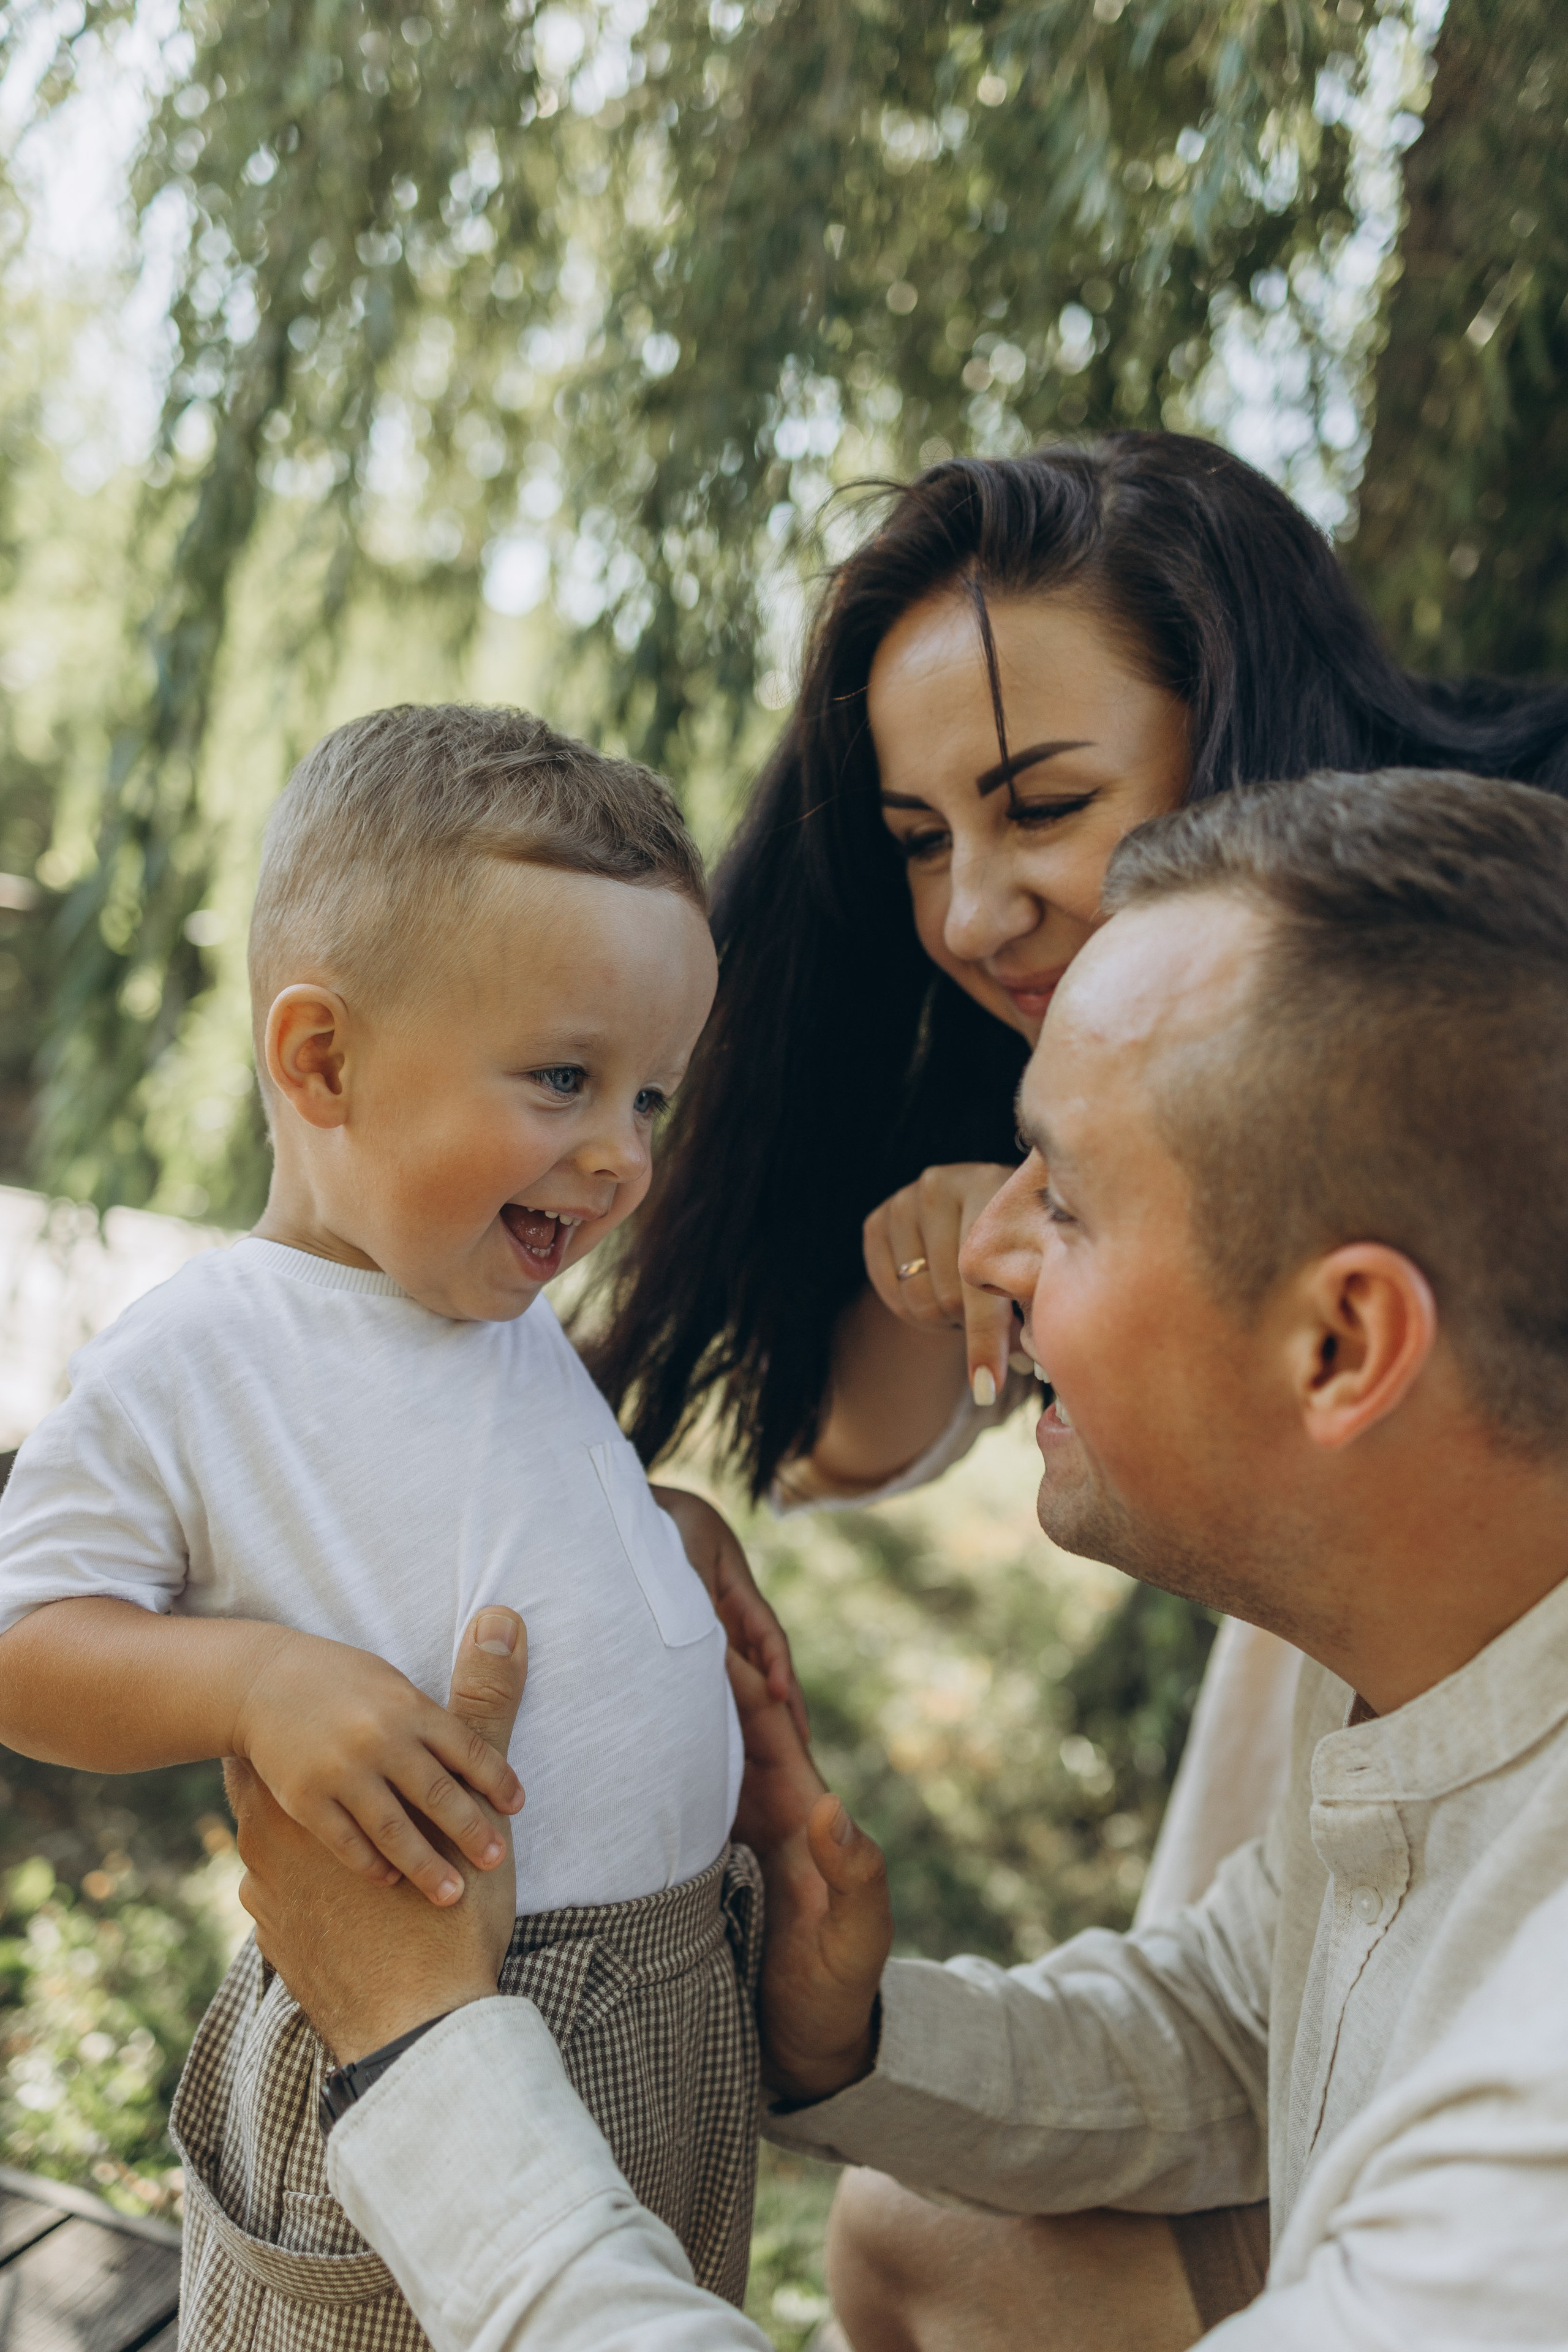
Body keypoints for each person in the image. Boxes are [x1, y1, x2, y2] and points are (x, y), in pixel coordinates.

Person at [239, 766, 1568, 2350]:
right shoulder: (1447, 1646)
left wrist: (423, 2051)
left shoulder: (1528, 2168)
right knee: (948, 2239)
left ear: (1345, 1344)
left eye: (1060, 1199)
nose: (984, 1251)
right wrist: (843, 2034)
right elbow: (1243, 2033)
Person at [587, 431, 1568, 1921]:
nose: (975, 914)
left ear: (1234, 724)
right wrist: (959, 1261)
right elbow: (827, 1446)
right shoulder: (1051, 998)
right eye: (918, 842)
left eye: (1040, 808)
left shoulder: (1498, 952)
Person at [0, 704, 807, 2340]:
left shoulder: (501, 1318)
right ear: (325, 1062)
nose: (624, 1159)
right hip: (424, 2027)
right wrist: (252, 1685)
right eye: (567, 1080)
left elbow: (463, 1505)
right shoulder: (206, 1351)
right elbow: (22, 1641)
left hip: (671, 2008)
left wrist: (644, 1530)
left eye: (650, 1099)